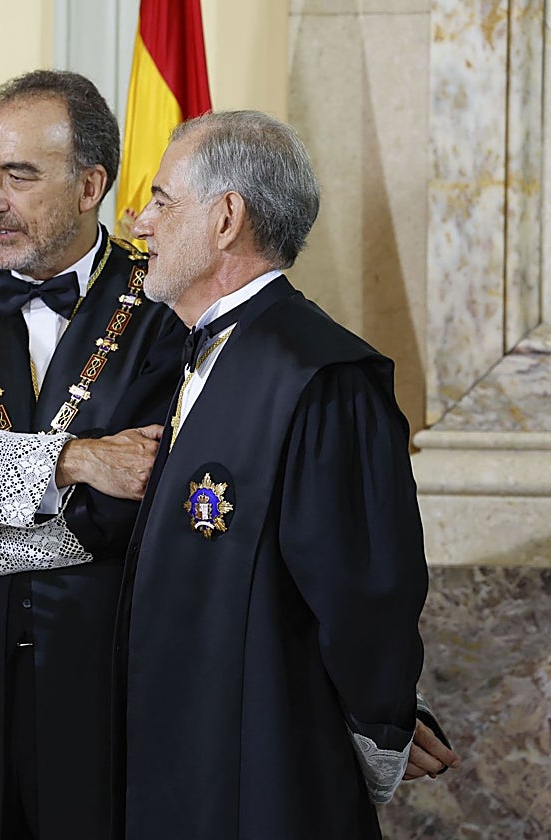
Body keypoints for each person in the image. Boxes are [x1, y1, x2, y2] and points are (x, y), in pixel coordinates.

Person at [115, 110, 460, 839]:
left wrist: (382, 726)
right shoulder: (185, 355)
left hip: (269, 769)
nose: (140, 223)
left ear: (227, 217)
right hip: (178, 761)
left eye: (162, 201)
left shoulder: (324, 378)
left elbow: (368, 593)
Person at [0, 70, 187, 840]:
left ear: (90, 186)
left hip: (103, 671)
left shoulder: (168, 306)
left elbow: (143, 496)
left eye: (19, 176)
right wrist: (72, 463)